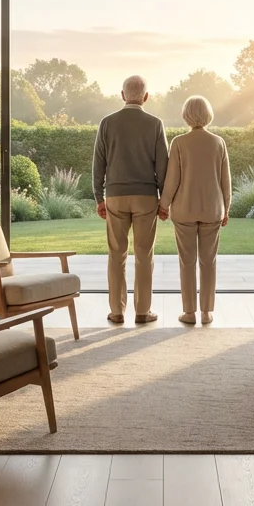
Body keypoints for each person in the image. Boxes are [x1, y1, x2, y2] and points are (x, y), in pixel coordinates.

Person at [92, 74, 169, 324]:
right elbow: (163, 166)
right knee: (144, 255)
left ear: (123, 95)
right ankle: (143, 311)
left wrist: (99, 197)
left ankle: (116, 311)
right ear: (146, 97)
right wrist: (164, 200)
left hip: (115, 196)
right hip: (146, 197)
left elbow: (98, 164)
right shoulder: (155, 124)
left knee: (117, 254)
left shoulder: (107, 123)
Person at [159, 95, 231, 325]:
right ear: (208, 114)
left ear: (186, 115)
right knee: (209, 262)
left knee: (187, 262)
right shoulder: (218, 142)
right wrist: (226, 208)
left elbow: (172, 180)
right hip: (212, 210)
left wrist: (163, 205)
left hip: (184, 211)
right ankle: (207, 312)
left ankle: (189, 312)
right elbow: (225, 181)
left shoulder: (179, 143)